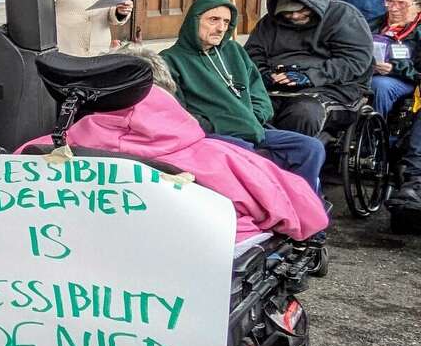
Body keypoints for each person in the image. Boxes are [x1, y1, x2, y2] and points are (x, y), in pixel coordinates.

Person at [23, 49, 328, 247]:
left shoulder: (36, 154)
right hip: (200, 277)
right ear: (167, 93)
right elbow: (305, 216)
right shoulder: (224, 159)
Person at [162, 0, 326, 191]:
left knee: (310, 148)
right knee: (249, 155)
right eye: (213, 20)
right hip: (214, 136)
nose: (221, 28)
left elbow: (259, 93)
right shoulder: (170, 60)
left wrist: (251, 118)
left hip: (254, 129)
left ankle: (302, 206)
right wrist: (221, 124)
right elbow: (177, 114)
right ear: (193, 21)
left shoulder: (234, 51)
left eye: (226, 22)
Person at [244, 0, 373, 138]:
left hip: (331, 88)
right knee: (249, 110)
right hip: (276, 89)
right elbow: (252, 54)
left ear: (313, 3)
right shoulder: (269, 22)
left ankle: (294, 158)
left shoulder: (343, 16)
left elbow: (354, 60)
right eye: (288, 12)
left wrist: (310, 76)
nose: (295, 16)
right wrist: (264, 74)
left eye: (301, 9)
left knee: (303, 113)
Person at [369, 0, 421, 119]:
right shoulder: (375, 24)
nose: (394, 9)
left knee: (380, 85)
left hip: (406, 80)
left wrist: (394, 68)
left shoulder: (418, 30)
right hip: (367, 72)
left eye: (401, 4)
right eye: (390, 2)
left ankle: (377, 134)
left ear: (418, 7)